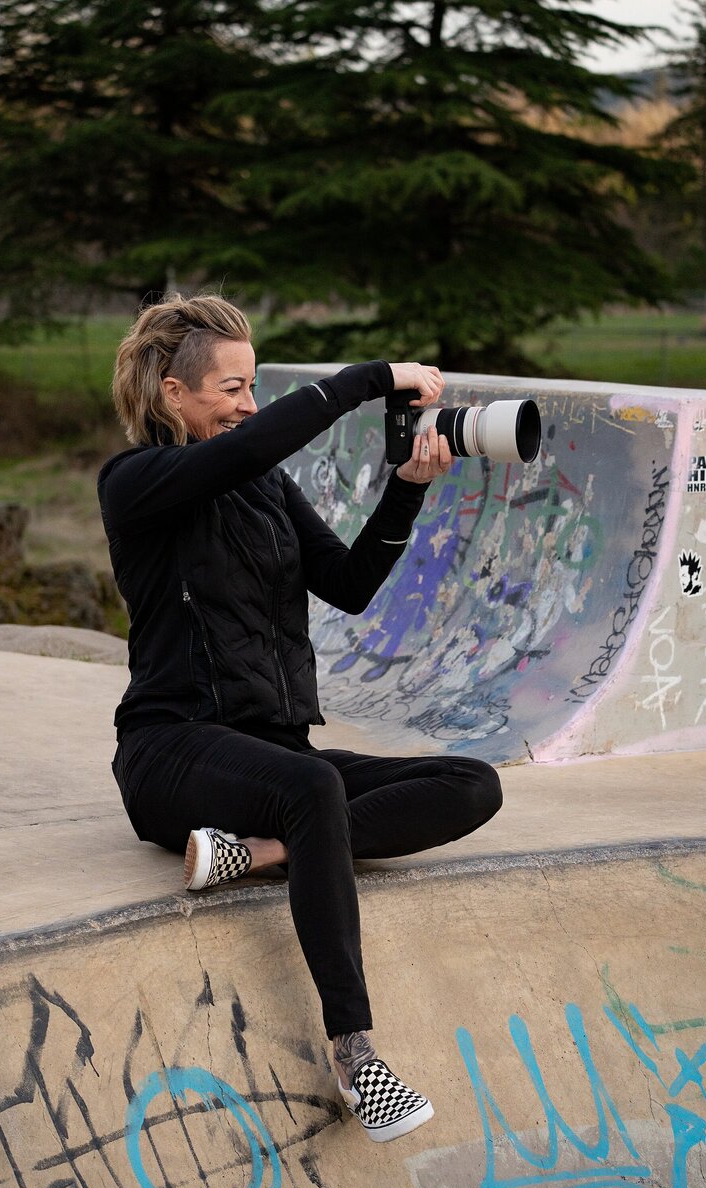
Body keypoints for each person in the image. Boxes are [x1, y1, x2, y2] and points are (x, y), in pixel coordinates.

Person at [98, 293, 503, 1143]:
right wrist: (365, 381)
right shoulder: (135, 482)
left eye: (255, 387)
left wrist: (405, 492)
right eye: (231, 388)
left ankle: (265, 852)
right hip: (171, 749)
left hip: (272, 755)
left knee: (470, 782)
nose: (247, 405)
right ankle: (358, 1056)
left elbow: (349, 585)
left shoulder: (266, 490)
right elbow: (253, 444)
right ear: (174, 394)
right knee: (311, 783)